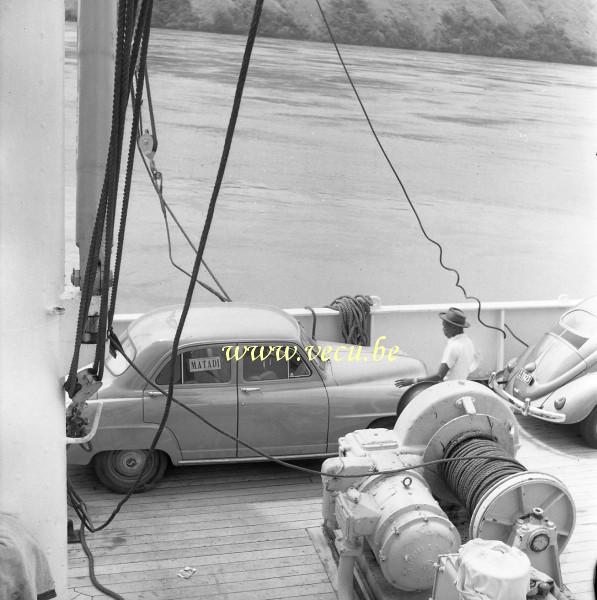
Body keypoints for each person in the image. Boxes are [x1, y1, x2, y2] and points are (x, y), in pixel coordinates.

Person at [395, 307, 478, 387]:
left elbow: (439, 376)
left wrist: (413, 381)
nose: (443, 330)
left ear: (453, 327)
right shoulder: (468, 342)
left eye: (444, 326)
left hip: (449, 388)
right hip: (461, 385)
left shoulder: (454, 346)